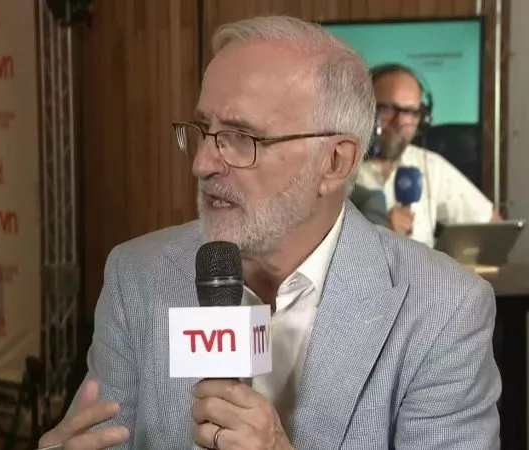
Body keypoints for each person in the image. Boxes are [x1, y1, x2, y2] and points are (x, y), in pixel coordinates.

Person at [38, 16, 501, 450]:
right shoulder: (136, 275)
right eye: (204, 129)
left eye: (242, 137)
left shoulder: (443, 308)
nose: (202, 163)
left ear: (334, 162)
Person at [355, 63, 501, 248]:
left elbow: (493, 226)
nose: (400, 122)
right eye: (388, 109)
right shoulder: (334, 168)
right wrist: (378, 232)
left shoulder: (429, 165)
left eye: (410, 113)